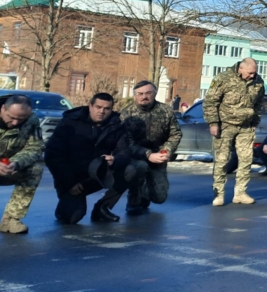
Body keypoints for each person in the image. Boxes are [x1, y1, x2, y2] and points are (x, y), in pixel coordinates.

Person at [44, 93, 126, 224]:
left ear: (111, 109)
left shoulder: (116, 125)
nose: (102, 111)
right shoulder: (70, 122)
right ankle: (68, 203)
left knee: (132, 169)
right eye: (98, 107)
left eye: (107, 108)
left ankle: (103, 207)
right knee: (71, 218)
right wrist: (69, 183)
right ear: (90, 106)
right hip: (71, 177)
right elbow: (52, 155)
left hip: (97, 174)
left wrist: (114, 159)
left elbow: (123, 152)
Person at [105, 80, 181, 215]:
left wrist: (166, 151)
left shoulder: (166, 111)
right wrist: (147, 155)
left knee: (159, 198)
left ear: (155, 93)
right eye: (139, 94)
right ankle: (134, 201)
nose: (144, 97)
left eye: (148, 93)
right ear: (134, 96)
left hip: (159, 155)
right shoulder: (127, 114)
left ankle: (145, 193)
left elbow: (175, 134)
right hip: (135, 157)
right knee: (139, 168)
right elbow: (127, 142)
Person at [205, 58, 265, 206]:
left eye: (254, 73)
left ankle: (240, 193)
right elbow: (211, 102)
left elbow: (258, 103)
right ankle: (219, 194)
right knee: (222, 160)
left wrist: (254, 122)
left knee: (246, 160)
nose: (252, 76)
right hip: (225, 125)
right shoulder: (223, 78)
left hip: (245, 127)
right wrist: (213, 123)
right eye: (250, 73)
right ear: (241, 68)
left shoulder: (258, 81)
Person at [0, 95, 45, 233]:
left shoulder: (32, 120)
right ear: (2, 108)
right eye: (11, 117)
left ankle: (11, 219)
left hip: (8, 167)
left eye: (20, 119)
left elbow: (35, 148)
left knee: (35, 168)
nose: (15, 123)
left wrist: (15, 163)